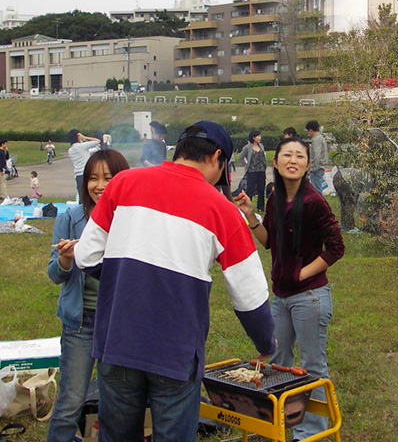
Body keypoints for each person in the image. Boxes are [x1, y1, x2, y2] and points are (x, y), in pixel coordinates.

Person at [74, 121, 276, 442]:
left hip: (117, 341)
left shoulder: (123, 183)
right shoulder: (222, 210)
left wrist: (126, 277)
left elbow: (86, 256)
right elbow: (249, 295)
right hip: (175, 352)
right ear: (216, 158)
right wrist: (266, 343)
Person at [235, 136, 344, 442]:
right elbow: (269, 240)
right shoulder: (275, 199)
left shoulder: (314, 202)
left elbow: (336, 248)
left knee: (312, 365)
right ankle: (275, 425)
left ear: (307, 165)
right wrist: (249, 214)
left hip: (309, 297)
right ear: (276, 162)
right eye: (287, 155)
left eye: (299, 156)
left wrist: (300, 274)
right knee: (278, 362)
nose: (292, 160)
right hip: (280, 297)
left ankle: (312, 432)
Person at [46, 150, 130, 442]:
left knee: (114, 403)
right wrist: (66, 260)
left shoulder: (130, 220)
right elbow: (54, 274)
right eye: (93, 178)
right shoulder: (71, 218)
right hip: (78, 323)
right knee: (70, 401)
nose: (100, 185)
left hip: (115, 324)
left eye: (109, 178)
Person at [333, 167, 373, 232]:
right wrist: (362, 215)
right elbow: (361, 199)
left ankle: (344, 225)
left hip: (337, 176)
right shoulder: (370, 182)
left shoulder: (365, 177)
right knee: (349, 204)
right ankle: (350, 227)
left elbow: (357, 197)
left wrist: (360, 210)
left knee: (344, 203)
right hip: (343, 178)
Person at [237, 129, 267, 211]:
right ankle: (247, 205)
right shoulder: (247, 147)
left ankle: (260, 207)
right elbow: (240, 157)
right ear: (253, 137)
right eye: (258, 136)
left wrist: (265, 165)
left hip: (261, 171)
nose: (260, 137)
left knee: (261, 189)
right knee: (250, 189)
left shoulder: (261, 146)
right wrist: (246, 164)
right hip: (252, 172)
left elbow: (264, 157)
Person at [67, 130, 101, 198]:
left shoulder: (70, 150)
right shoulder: (82, 146)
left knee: (82, 196)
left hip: (78, 175)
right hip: (87, 173)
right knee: (91, 195)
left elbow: (88, 151)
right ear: (78, 136)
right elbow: (97, 141)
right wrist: (84, 137)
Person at [305, 120, 328, 193]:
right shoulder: (320, 138)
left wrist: (313, 168)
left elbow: (316, 155)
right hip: (319, 167)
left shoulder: (316, 139)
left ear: (311, 130)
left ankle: (319, 204)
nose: (308, 134)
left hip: (316, 169)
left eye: (308, 131)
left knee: (316, 190)